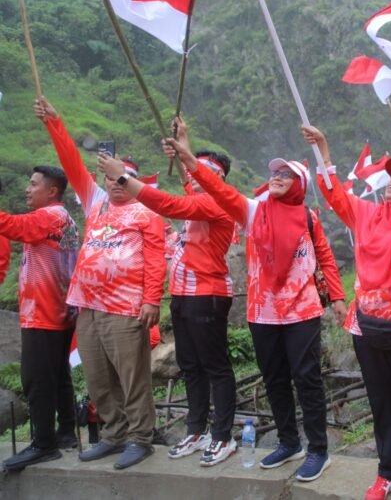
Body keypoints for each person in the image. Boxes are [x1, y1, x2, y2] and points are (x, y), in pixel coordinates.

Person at [164, 120, 346, 482]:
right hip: (263, 312)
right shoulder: (252, 211)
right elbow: (214, 189)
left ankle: (319, 450)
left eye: (286, 173)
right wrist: (186, 154)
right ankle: (289, 442)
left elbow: (324, 257)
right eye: (274, 171)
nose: (276, 175)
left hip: (302, 309)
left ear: (299, 185)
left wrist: (338, 298)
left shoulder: (308, 218)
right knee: (274, 378)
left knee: (307, 377)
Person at [302, 111, 391, 500]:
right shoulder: (367, 214)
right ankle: (387, 473)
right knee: (382, 404)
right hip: (367, 326)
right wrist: (323, 151)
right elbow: (335, 195)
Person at [35, 97, 166, 470]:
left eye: (122, 177)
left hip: (126, 307)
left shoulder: (147, 211)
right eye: (109, 177)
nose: (115, 184)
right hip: (88, 305)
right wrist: (55, 123)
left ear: (135, 181)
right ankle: (112, 435)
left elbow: (156, 259)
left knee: (132, 376)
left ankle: (140, 438)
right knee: (97, 376)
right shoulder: (96, 202)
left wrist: (151, 300)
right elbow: (71, 164)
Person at [97, 142, 239, 466]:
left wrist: (123, 179)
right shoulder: (198, 196)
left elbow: (169, 205)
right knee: (190, 366)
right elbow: (187, 187)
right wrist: (181, 146)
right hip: (182, 294)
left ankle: (223, 437)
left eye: (203, 171)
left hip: (208, 294)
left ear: (218, 178)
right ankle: (196, 429)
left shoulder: (218, 201)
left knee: (216, 367)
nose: (194, 174)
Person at [0, 166, 79, 471]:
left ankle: (44, 444)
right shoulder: (63, 218)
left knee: (36, 379)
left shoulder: (51, 216)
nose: (27, 189)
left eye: (33, 184)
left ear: (52, 191)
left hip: (43, 313)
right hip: (56, 311)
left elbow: (14, 226)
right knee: (58, 376)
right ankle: (66, 433)